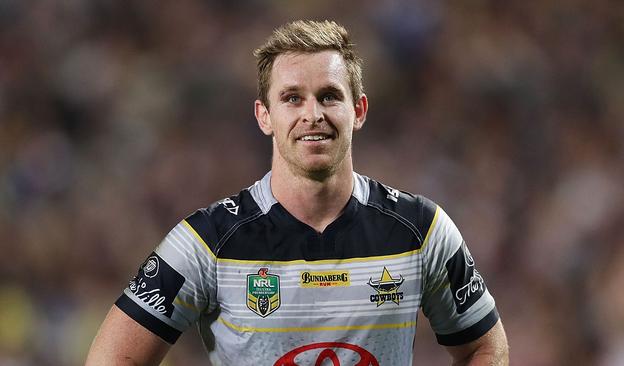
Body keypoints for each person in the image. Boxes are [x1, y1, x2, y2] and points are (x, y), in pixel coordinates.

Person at [86, 20, 508, 365]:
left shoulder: (421, 229)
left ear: (358, 110)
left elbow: (484, 347)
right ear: (264, 116)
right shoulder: (206, 241)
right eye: (292, 98)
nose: (313, 114)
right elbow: (113, 358)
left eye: (329, 96)